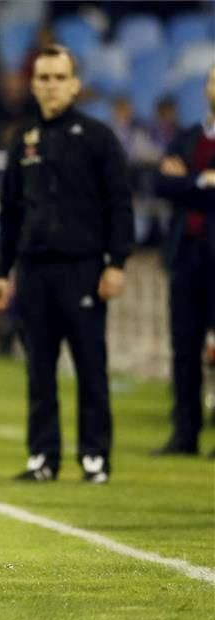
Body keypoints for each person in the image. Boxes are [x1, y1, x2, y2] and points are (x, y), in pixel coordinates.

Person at [0, 45, 134, 484]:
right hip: (33, 270)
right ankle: (43, 457)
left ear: (74, 84)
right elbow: (10, 210)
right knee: (39, 369)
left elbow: (119, 205)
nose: (50, 85)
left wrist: (116, 262)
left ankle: (95, 456)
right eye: (43, 78)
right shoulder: (23, 138)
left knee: (90, 364)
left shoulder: (98, 137)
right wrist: (0, 270)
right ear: (33, 85)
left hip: (83, 268)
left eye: (58, 77)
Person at [151, 65, 215, 459]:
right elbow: (161, 184)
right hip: (187, 254)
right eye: (212, 80)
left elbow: (176, 185)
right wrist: (202, 181)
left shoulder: (186, 146)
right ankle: (184, 433)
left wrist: (186, 183)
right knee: (184, 347)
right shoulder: (188, 137)